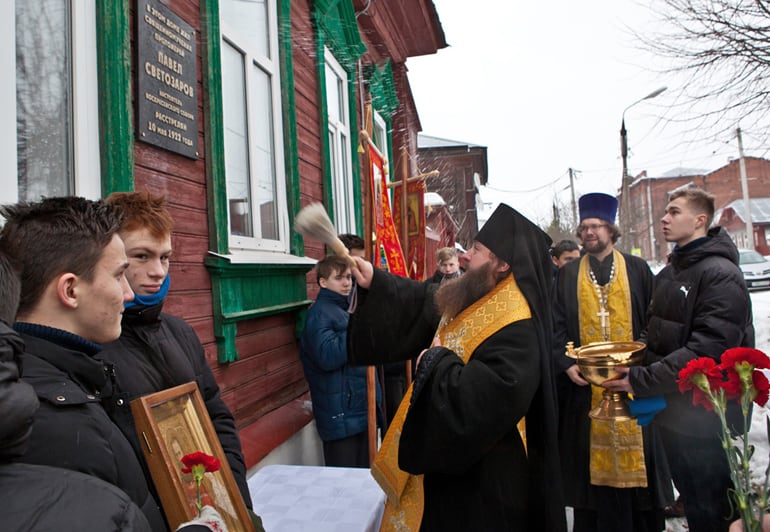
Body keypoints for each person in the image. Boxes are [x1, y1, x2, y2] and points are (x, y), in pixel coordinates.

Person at [347, 203, 565, 531]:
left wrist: (433, 363)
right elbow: (428, 301)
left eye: (477, 250)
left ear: (503, 263)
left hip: (484, 483)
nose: (465, 257)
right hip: (455, 470)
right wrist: (376, 282)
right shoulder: (481, 293)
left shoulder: (518, 322)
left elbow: (488, 398)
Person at [0, 197, 168, 531]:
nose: (130, 293)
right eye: (120, 275)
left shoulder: (54, 380)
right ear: (71, 290)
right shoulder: (56, 425)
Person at [97, 192, 261, 529]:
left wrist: (235, 500)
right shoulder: (92, 343)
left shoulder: (179, 332)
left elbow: (218, 419)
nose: (157, 271)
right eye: (141, 256)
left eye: (165, 257)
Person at [603, 188, 754, 532]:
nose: (664, 218)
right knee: (694, 500)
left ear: (700, 220)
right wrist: (628, 360)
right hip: (673, 408)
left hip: (704, 413)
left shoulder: (719, 274)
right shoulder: (670, 273)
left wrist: (640, 379)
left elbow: (709, 348)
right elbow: (654, 332)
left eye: (674, 212)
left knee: (714, 505)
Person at [552, 192, 672, 531]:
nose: (589, 232)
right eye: (585, 227)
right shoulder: (568, 273)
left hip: (634, 385)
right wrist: (566, 362)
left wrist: (643, 356)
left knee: (641, 483)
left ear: (611, 230)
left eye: (596, 226)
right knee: (591, 490)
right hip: (586, 392)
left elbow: (654, 319)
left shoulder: (636, 269)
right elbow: (555, 325)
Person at [300, 254, 380, 467]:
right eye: (339, 278)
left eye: (349, 277)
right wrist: (358, 329)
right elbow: (327, 356)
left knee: (363, 479)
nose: (347, 283)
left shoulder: (346, 309)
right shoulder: (320, 314)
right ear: (323, 282)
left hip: (357, 410)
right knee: (343, 484)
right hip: (340, 414)